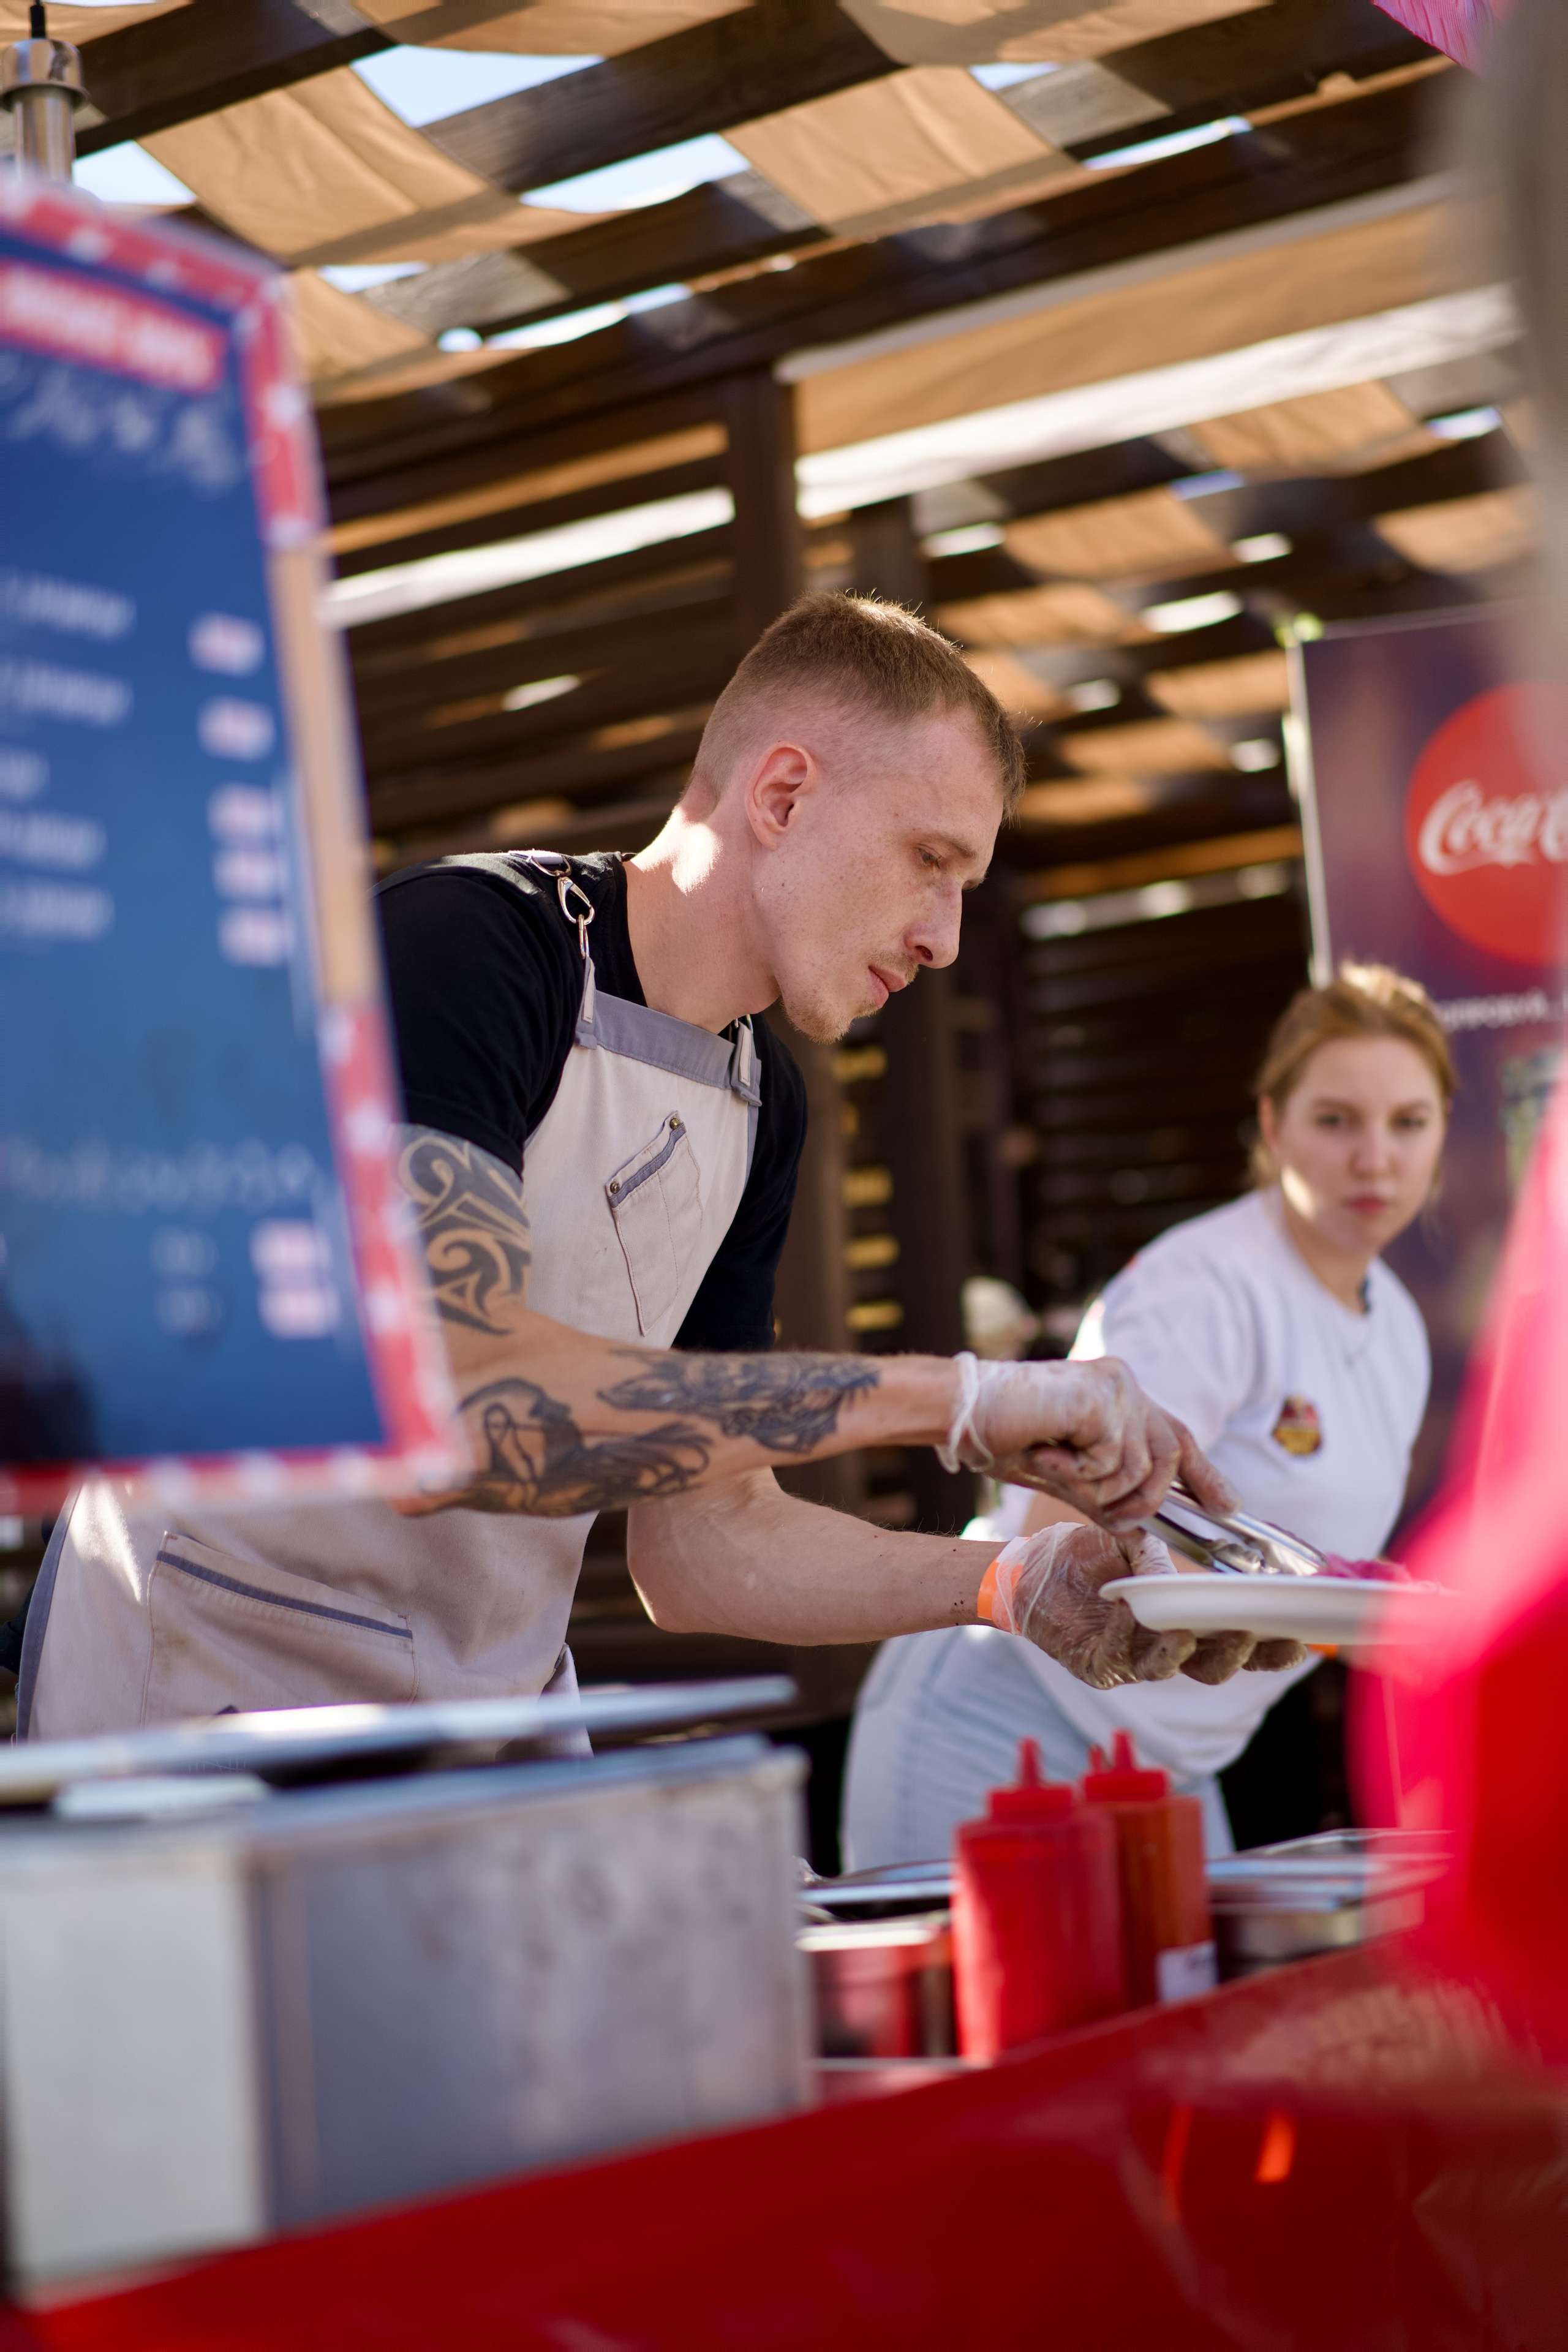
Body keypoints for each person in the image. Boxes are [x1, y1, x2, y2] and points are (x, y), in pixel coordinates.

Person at [19, 595, 1246, 1739]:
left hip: (482, 1730)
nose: (944, 939)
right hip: (205, 1696)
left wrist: (1012, 1583)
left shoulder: (763, 1100)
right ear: (781, 794)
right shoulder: (468, 948)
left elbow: (703, 1544)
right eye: (930, 859)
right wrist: (961, 1400)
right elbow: (453, 1406)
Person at [843, 963, 1455, 1866]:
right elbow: (1060, 1532)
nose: (1375, 1158)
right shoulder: (1206, 1286)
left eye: (1408, 1122)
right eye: (1336, 1120)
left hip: (1171, 1761)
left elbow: (1301, 1579)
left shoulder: (1397, 1324)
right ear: (1273, 1126)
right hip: (998, 1720)